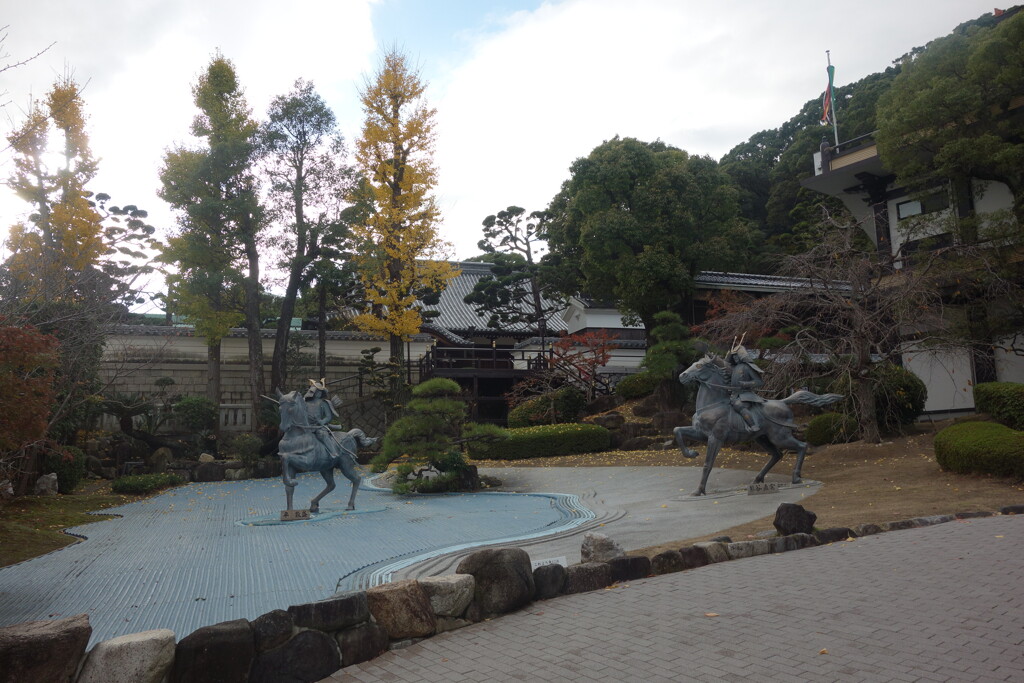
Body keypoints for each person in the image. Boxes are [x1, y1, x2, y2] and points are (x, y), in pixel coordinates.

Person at [303, 378, 353, 464]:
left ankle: (333, 452)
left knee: (322, 435)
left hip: (319, 427)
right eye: (317, 391)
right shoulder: (305, 403)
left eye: (320, 392)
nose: (318, 393)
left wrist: (322, 421)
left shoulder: (323, 403)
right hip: (307, 426)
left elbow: (328, 417)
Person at [726, 345, 764, 432]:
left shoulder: (747, 367)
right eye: (733, 356)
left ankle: (753, 425)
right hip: (733, 395)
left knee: (738, 405)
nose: (735, 358)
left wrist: (745, 383)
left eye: (736, 355)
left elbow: (759, 382)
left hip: (746, 395)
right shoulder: (734, 368)